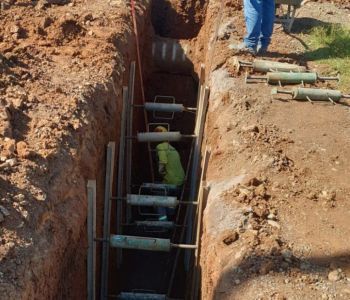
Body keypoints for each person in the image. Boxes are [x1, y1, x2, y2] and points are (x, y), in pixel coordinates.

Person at [154, 126, 185, 221]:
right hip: (180, 180)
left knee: (159, 197)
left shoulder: (160, 147)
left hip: (171, 181)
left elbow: (163, 161)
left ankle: (162, 222)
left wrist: (161, 172)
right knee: (171, 200)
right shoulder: (173, 149)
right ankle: (171, 216)